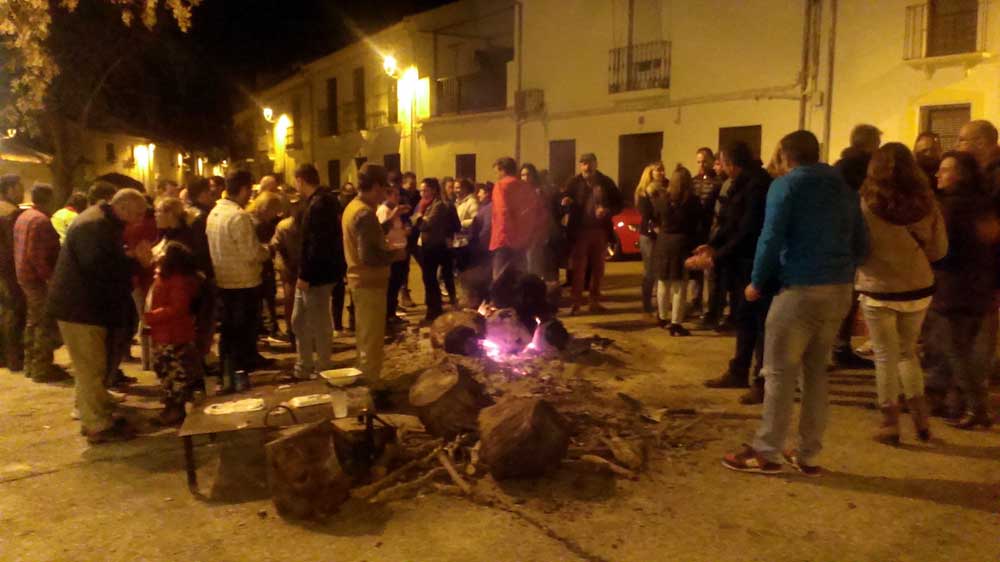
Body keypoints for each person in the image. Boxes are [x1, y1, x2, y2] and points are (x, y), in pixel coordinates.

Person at [723, 130, 868, 476]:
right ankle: (808, 453)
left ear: (785, 156)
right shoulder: (844, 190)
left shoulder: (786, 186)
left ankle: (767, 451)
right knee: (816, 372)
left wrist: (757, 282)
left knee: (778, 372)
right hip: (839, 289)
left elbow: (770, 237)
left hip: (800, 289)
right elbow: (862, 242)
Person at [855, 143, 947, 444]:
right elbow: (939, 250)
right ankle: (921, 421)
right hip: (918, 287)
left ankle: (890, 422)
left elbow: (857, 248)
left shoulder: (866, 203)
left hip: (878, 289)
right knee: (908, 353)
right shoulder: (927, 202)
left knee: (884, 356)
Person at [49, 189, 150, 443]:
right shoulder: (94, 225)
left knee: (91, 366)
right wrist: (135, 261)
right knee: (90, 367)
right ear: (124, 207)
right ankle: (97, 425)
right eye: (137, 214)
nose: (138, 220)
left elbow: (105, 261)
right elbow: (98, 269)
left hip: (84, 307)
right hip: (81, 309)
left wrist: (128, 259)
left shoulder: (101, 221)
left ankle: (96, 411)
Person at [924, 151, 998, 429]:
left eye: (945, 170)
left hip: (953, 289)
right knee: (968, 352)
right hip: (980, 287)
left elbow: (943, 251)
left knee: (956, 352)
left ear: (961, 175)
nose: (938, 175)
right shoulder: (984, 206)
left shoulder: (949, 208)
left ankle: (978, 408)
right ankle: (968, 405)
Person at [696, 141, 773, 405]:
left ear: (731, 163)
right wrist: (713, 246)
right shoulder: (740, 184)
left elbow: (749, 230)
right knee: (743, 318)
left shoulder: (758, 185)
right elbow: (730, 222)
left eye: (723, 163)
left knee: (760, 324)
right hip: (738, 263)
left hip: (753, 262)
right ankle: (738, 370)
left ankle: (761, 381)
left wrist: (718, 255)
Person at [342, 164, 406, 396]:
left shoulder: (354, 208)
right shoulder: (364, 213)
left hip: (360, 282)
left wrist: (388, 223)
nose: (384, 195)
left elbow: (368, 236)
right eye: (384, 189)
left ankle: (364, 379)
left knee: (365, 336)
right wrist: (394, 255)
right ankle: (369, 390)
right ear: (376, 186)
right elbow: (369, 255)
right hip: (369, 282)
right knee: (371, 339)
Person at [206, 170, 270, 392]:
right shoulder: (238, 216)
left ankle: (226, 376)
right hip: (244, 283)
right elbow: (251, 253)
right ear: (243, 189)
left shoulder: (214, 213)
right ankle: (238, 378)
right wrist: (267, 251)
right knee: (242, 333)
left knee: (229, 332)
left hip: (224, 280)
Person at [831, 124, 882, 370]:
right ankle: (838, 347)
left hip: (838, 238)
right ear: (870, 144)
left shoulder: (838, 167)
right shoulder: (867, 169)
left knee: (843, 297)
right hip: (855, 239)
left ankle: (836, 347)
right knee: (847, 298)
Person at [291, 163, 345, 378]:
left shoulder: (320, 204)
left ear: (301, 180)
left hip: (317, 274)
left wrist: (305, 275)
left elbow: (316, 244)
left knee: (318, 320)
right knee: (299, 319)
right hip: (315, 272)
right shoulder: (319, 202)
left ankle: (322, 365)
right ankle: (304, 364)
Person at [145, 241, 204, 425]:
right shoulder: (167, 276)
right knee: (167, 373)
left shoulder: (176, 280)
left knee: (174, 375)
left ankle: (175, 410)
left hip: (173, 335)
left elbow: (178, 308)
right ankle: (173, 408)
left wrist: (153, 316)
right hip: (165, 334)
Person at [14, 183, 68, 382]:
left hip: (25, 277)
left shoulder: (24, 216)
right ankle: (42, 368)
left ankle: (31, 364)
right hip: (37, 280)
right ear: (49, 198)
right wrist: (50, 278)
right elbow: (37, 256)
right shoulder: (40, 221)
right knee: (44, 323)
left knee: (33, 321)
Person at [562, 153, 623, 315]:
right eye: (583, 164)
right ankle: (576, 302)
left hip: (600, 231)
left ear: (596, 164)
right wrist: (566, 201)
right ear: (580, 165)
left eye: (589, 163)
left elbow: (619, 203)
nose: (587, 167)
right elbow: (564, 198)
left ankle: (594, 301)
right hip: (580, 231)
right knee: (579, 268)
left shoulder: (605, 182)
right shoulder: (574, 182)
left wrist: (608, 210)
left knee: (598, 268)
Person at [652, 165, 701, 336]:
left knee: (663, 281)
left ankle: (662, 316)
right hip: (681, 242)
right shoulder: (692, 201)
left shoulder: (663, 198)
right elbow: (696, 224)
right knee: (679, 285)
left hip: (664, 241)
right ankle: (676, 323)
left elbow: (656, 217)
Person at [414, 178, 459, 322]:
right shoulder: (424, 205)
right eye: (421, 190)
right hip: (426, 245)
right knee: (428, 279)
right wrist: (418, 218)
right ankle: (433, 308)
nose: (422, 193)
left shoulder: (438, 205)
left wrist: (419, 219)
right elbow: (415, 220)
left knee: (432, 279)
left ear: (433, 190)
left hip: (435, 246)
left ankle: (434, 310)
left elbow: (425, 225)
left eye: (425, 190)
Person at [491, 157, 537, 279]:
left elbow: (502, 212)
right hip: (522, 240)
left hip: (504, 239)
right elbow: (532, 212)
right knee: (520, 278)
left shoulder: (500, 186)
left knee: (500, 280)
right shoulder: (525, 186)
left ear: (503, 170)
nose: (496, 175)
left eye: (496, 172)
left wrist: (506, 236)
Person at [691, 148, 721, 315]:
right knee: (696, 271)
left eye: (704, 161)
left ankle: (711, 306)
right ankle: (695, 302)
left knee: (710, 271)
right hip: (697, 230)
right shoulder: (693, 181)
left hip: (711, 230)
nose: (701, 165)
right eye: (699, 162)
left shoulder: (717, 182)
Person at [0, 174, 26, 372]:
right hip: (8, 270)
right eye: (19, 188)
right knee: (14, 311)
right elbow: (14, 246)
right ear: (9, 189)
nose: (22, 192)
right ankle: (14, 357)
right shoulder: (11, 213)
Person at [377, 183, 411, 327]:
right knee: (391, 286)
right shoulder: (384, 210)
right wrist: (394, 214)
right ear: (387, 195)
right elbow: (383, 230)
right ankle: (388, 316)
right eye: (395, 195)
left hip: (400, 251)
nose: (398, 198)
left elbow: (397, 230)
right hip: (392, 253)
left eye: (398, 195)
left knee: (397, 285)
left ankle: (392, 313)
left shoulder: (394, 211)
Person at [635, 163, 666, 315]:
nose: (661, 172)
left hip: (663, 233)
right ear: (650, 173)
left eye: (662, 170)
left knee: (660, 270)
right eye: (658, 170)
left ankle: (660, 303)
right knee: (649, 271)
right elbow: (645, 214)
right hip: (649, 235)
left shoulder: (666, 189)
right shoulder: (644, 192)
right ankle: (646, 303)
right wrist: (655, 226)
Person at [271, 209, 303, 349]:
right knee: (291, 298)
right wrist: (285, 263)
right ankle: (292, 332)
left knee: (293, 299)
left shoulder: (285, 225)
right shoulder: (284, 226)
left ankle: (296, 332)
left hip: (299, 263)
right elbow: (276, 245)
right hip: (288, 266)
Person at [462, 183, 494, 308]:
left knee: (482, 275)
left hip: (483, 248)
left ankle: (482, 301)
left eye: (480, 192)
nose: (478, 195)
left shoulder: (489, 208)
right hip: (480, 246)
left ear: (487, 193)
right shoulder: (483, 207)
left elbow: (486, 228)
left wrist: (479, 243)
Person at [957, 119, 1000, 197]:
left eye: (962, 140)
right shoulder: (973, 168)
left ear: (980, 143)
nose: (956, 145)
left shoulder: (996, 175)